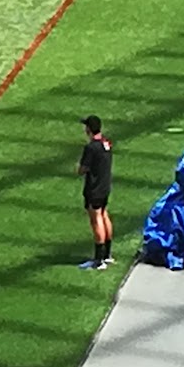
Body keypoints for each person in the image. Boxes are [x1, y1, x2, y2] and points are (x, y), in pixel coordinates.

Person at [78, 115, 114, 270]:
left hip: (94, 188)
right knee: (104, 215)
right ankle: (107, 255)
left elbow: (82, 169)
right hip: (105, 186)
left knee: (96, 219)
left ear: (89, 129)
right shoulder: (106, 143)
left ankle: (98, 260)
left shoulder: (91, 148)